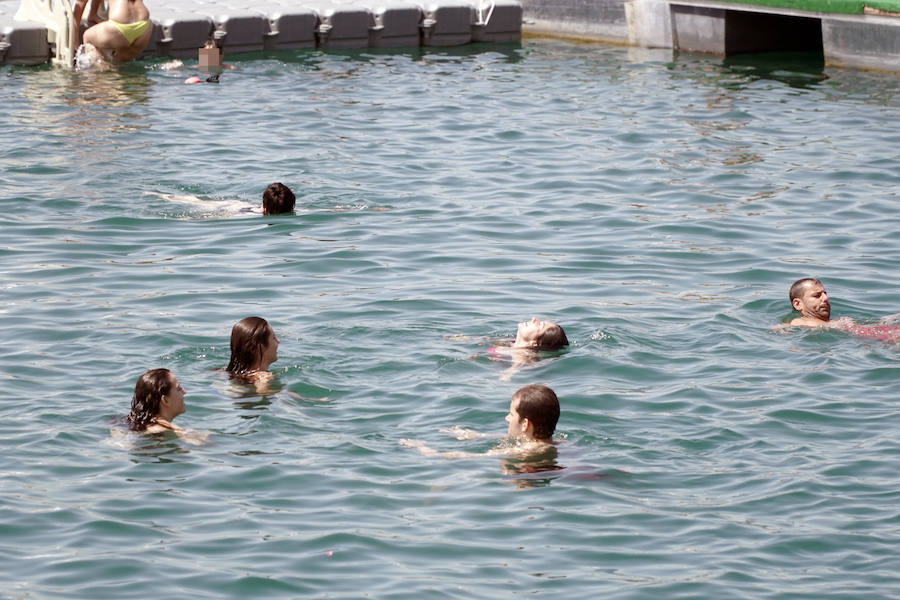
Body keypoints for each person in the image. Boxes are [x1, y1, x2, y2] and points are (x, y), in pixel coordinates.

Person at [400, 384, 561, 460]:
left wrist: (423, 449)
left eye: (511, 414)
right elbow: (527, 440)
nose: (507, 418)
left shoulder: (522, 453)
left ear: (525, 424)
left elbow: (463, 456)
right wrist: (479, 435)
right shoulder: (556, 443)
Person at [73, 0, 152, 64]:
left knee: (88, 37)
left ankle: (99, 74)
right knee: (120, 64)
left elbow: (80, 3)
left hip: (120, 25)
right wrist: (93, 14)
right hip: (144, 26)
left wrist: (75, 43)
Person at [126, 368, 186, 434]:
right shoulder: (169, 431)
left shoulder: (130, 423)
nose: (184, 392)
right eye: (179, 388)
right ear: (165, 400)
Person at [226, 316, 280, 383]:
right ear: (259, 347)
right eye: (274, 338)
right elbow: (262, 393)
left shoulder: (224, 372)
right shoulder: (263, 378)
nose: (278, 341)